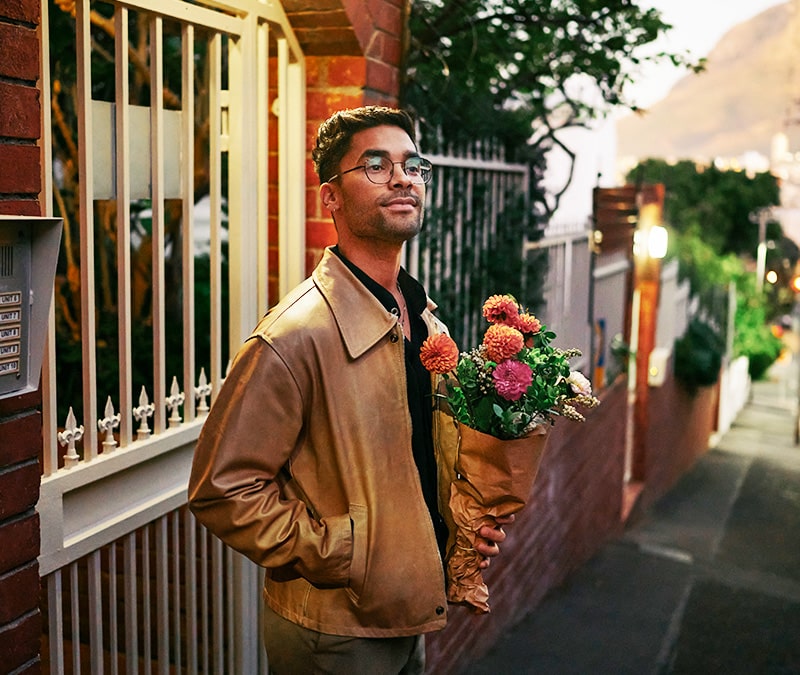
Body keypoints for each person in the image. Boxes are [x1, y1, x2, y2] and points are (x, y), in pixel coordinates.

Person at [188, 106, 510, 674]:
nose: (403, 178)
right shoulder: (294, 337)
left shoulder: (425, 323)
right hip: (334, 633)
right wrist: (346, 551)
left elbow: (420, 462)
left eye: (413, 165)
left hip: (409, 614)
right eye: (376, 165)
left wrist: (463, 524)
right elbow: (222, 489)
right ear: (329, 198)